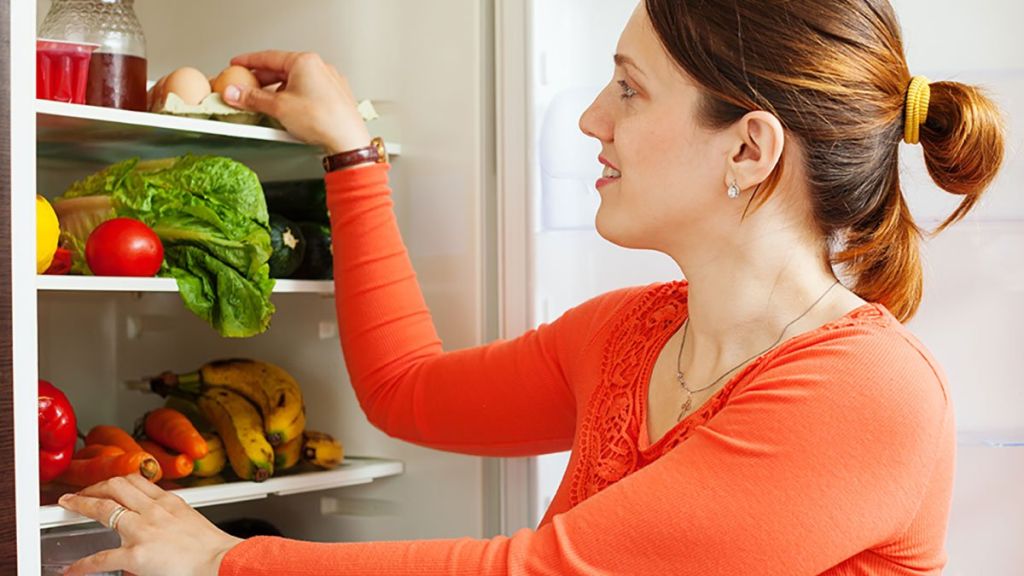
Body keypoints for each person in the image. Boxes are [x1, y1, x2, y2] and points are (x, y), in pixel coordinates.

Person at [58, 1, 1005, 574]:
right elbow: (405, 389)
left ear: (749, 149)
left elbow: (543, 572)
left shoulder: (862, 395)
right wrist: (352, 151)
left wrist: (227, 559)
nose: (592, 118)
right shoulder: (628, 337)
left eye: (628, 89)